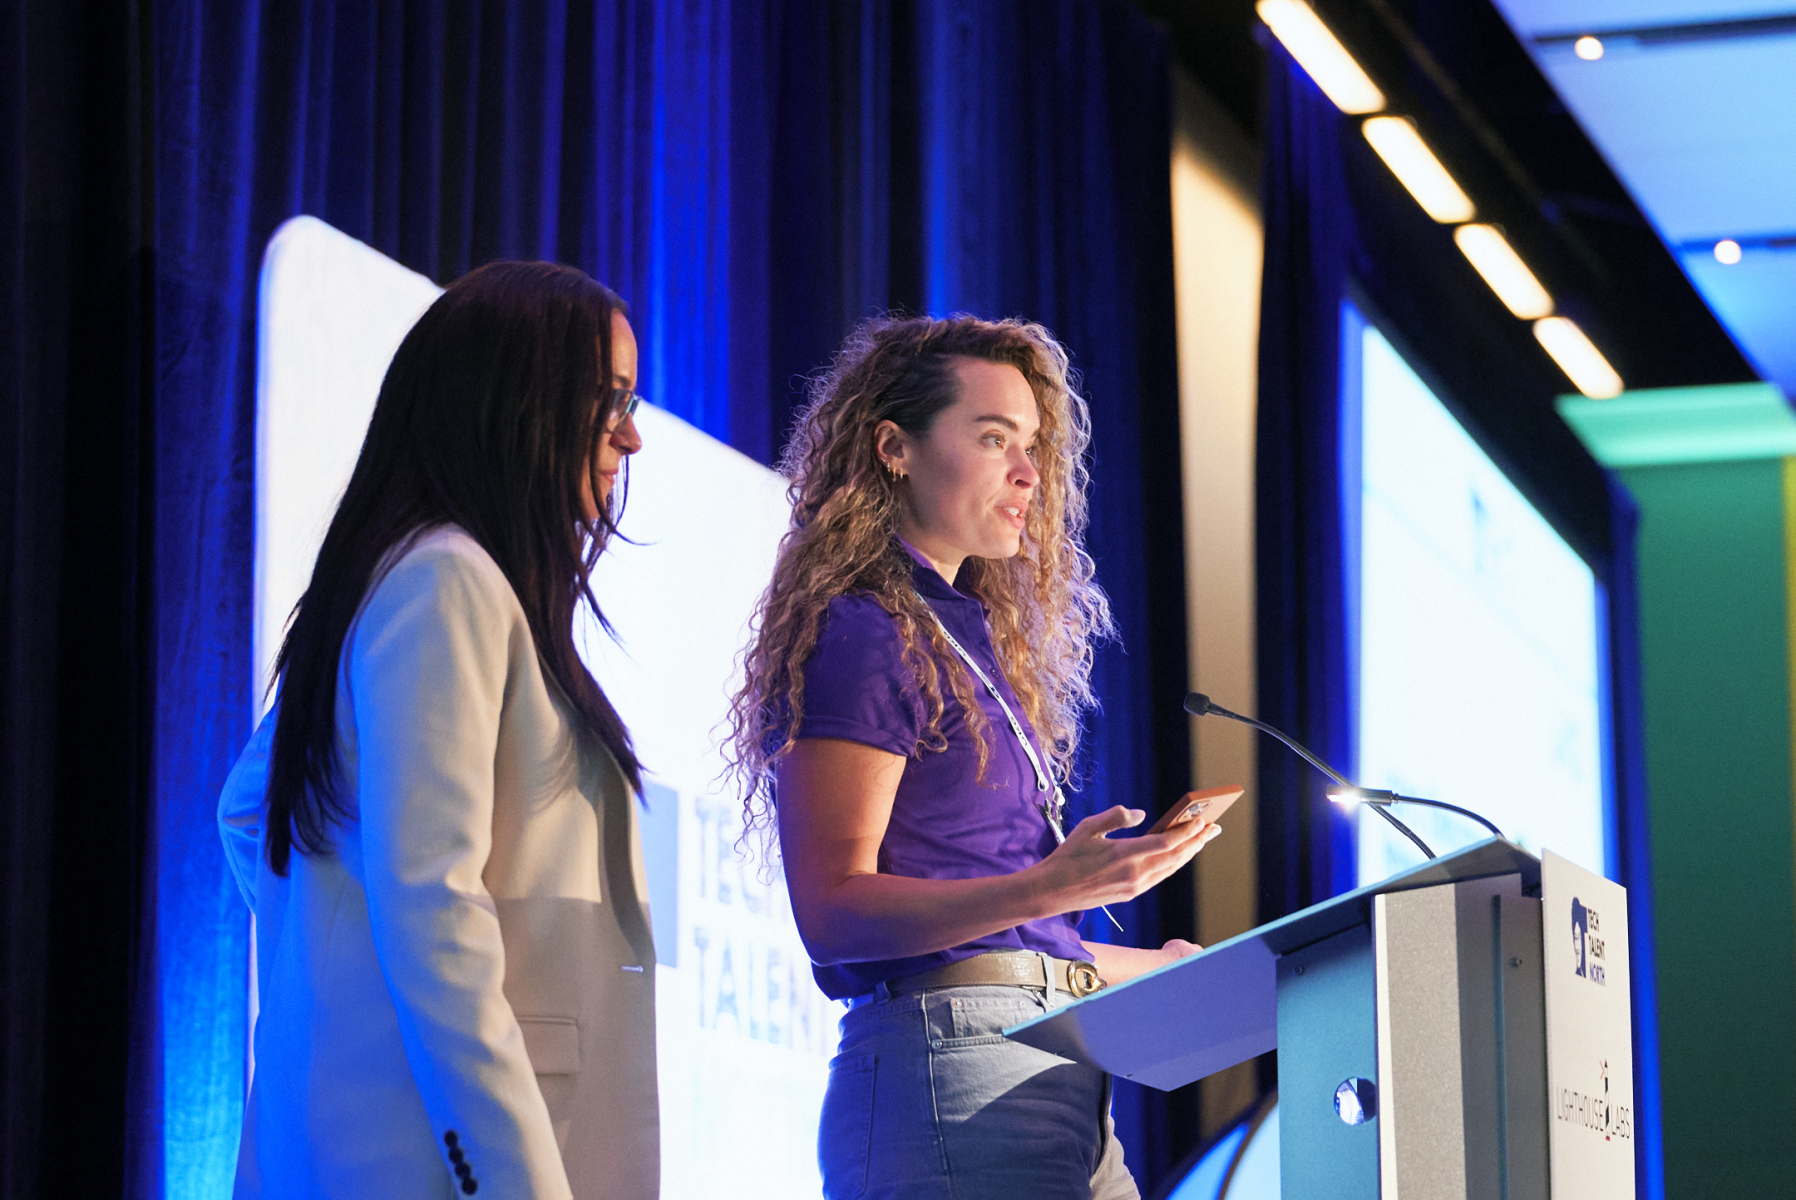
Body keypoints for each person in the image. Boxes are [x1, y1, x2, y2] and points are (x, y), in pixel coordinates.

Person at [727, 314, 1223, 1199]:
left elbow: (1002, 937)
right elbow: (832, 913)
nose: (1029, 472)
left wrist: (1157, 968)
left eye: (1031, 444)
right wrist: (1053, 887)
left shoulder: (964, 636)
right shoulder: (862, 632)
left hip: (1054, 1068)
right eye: (994, 439)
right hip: (952, 1072)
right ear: (894, 448)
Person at [217, 261, 657, 1199]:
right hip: (423, 1159)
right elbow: (432, 901)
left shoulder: (419, 575)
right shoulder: (446, 579)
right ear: (518, 398)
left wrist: (335, 959)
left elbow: (250, 813)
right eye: (611, 398)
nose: (631, 434)